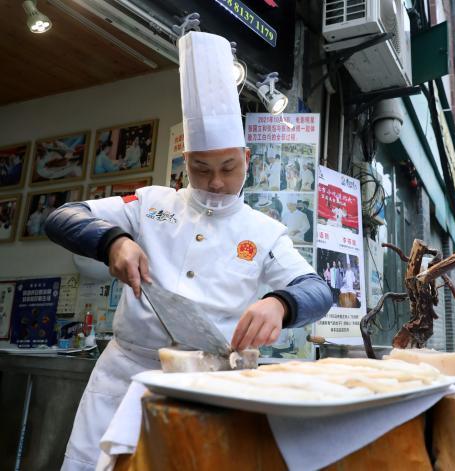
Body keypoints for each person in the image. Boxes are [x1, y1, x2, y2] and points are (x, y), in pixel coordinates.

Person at [45, 32, 332, 471]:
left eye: (228, 168)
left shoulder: (264, 231)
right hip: (124, 377)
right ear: (185, 163)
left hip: (206, 386)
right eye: (201, 169)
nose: (215, 182)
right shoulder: (151, 204)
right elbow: (63, 217)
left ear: (247, 159)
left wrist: (280, 303)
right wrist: (113, 242)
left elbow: (317, 289)